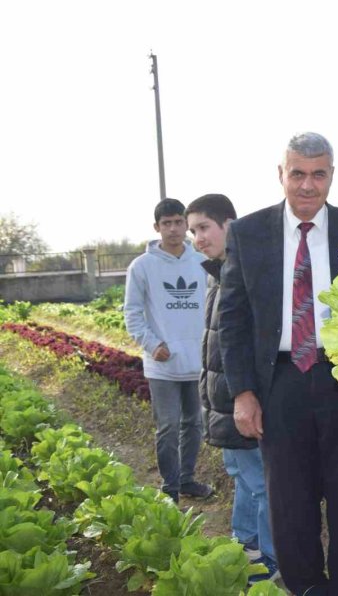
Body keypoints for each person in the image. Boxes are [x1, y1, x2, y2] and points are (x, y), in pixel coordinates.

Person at [218, 132, 338, 596]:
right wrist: (243, 393)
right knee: (289, 503)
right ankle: (307, 589)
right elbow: (232, 318)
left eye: (318, 174)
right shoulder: (249, 234)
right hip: (280, 384)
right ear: (281, 174)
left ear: (332, 175)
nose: (307, 185)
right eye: (298, 174)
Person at [185, 194, 279, 584]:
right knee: (245, 477)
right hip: (224, 403)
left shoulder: (247, 274)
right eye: (193, 231)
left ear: (229, 225)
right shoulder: (217, 273)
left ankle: (270, 559)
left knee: (262, 484)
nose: (197, 238)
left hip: (243, 403)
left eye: (204, 228)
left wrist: (248, 398)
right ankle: (245, 542)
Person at [124, 197, 213, 503]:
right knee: (168, 427)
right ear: (156, 227)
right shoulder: (142, 266)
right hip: (162, 362)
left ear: (186, 224)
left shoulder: (202, 261)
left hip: (197, 360)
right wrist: (152, 344)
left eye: (179, 222)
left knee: (194, 423)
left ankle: (187, 479)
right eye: (167, 223)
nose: (174, 229)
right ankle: (169, 487)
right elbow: (132, 312)